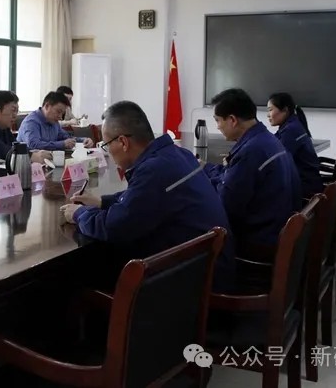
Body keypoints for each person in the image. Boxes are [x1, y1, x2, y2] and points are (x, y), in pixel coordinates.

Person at [60, 101, 234, 293]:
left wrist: (79, 214)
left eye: (106, 145)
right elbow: (143, 198)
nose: (107, 151)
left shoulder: (154, 171)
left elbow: (114, 227)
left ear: (123, 142)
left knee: (82, 278)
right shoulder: (177, 154)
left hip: (191, 286)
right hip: (208, 268)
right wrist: (102, 202)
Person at [203, 88, 301, 252]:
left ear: (232, 120)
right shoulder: (265, 139)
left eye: (218, 120)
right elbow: (231, 179)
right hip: (278, 229)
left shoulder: (251, 152)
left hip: (259, 240)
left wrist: (201, 185)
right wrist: (207, 170)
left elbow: (225, 207)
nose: (218, 127)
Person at [267, 92, 323, 199]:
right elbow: (273, 141)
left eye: (270, 110)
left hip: (304, 187)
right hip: (309, 182)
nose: (268, 115)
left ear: (285, 110)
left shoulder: (290, 130)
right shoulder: (292, 125)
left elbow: (277, 159)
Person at [17, 92, 94, 151]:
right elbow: (33, 145)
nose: (60, 117)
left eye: (62, 113)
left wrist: (83, 140)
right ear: (47, 106)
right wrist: (62, 144)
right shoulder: (31, 122)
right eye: (58, 111)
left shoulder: (54, 122)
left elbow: (67, 137)